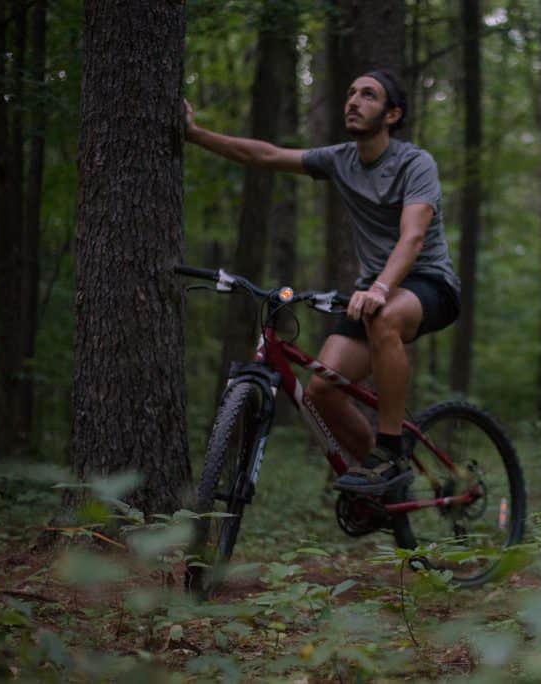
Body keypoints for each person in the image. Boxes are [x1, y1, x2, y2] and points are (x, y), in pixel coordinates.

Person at [184, 69, 460, 496]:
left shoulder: (414, 162)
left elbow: (413, 236)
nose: (353, 101)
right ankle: (382, 481)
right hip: (375, 293)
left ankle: (391, 450)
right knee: (320, 391)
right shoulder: (341, 160)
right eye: (350, 93)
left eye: (368, 96)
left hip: (428, 284)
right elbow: (266, 156)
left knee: (384, 317)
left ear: (392, 114)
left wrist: (380, 289)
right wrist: (195, 134)